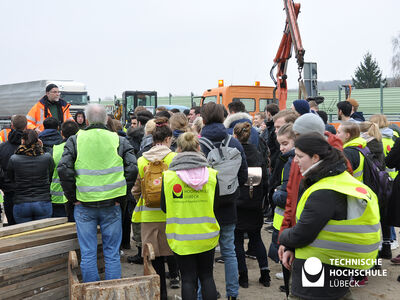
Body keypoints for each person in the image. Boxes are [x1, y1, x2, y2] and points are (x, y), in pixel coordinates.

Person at [279, 133, 380, 300]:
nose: (295, 161)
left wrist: (284, 238)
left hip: (316, 277)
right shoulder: (340, 179)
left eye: (299, 156)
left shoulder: (324, 191)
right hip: (336, 271)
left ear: (315, 157)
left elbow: (302, 234)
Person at [58, 104, 138, 283]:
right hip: (112, 205)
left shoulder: (75, 139)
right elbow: (133, 169)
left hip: (84, 205)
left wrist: (73, 198)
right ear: (106, 120)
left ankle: (92, 292)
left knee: (88, 254)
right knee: (112, 254)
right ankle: (112, 291)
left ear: (85, 120)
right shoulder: (119, 140)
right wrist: (121, 196)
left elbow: (63, 169)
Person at [161, 132, 219, 300]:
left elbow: (164, 207)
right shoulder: (212, 175)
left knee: (187, 278)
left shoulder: (169, 177)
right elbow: (216, 206)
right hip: (207, 234)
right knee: (207, 276)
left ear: (177, 149)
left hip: (181, 235)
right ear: (198, 148)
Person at [199, 102, 248, 300]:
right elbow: (243, 175)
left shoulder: (199, 144)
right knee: (229, 251)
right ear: (223, 117)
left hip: (204, 206)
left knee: (204, 254)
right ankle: (232, 294)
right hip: (229, 205)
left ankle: (204, 294)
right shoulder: (234, 143)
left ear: (203, 119)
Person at [131, 117, 177, 300]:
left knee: (154, 257)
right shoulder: (174, 158)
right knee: (172, 250)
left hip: (148, 216)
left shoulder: (142, 160)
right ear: (167, 139)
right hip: (171, 215)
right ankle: (175, 277)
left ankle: (161, 294)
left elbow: (136, 189)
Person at [232, 122, 270, 289]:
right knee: (257, 238)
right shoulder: (258, 154)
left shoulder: (234, 154)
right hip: (255, 203)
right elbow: (266, 181)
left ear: (235, 135)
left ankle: (244, 277)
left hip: (238, 203)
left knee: (238, 242)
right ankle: (265, 274)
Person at [7, 129, 54, 223]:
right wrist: (42, 147)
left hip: (21, 202)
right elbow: (50, 174)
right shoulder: (47, 157)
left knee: (24, 236)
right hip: (43, 200)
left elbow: (11, 178)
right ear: (38, 141)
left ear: (22, 141)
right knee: (42, 235)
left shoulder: (14, 159)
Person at [269, 124, 296, 277]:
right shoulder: (290, 159)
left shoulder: (291, 162)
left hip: (287, 216)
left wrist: (276, 194)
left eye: (285, 144)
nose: (281, 148)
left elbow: (286, 195)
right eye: (280, 144)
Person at [0, 115, 27, 225]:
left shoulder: (2, 147)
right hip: (27, 194)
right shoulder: (31, 147)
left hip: (9, 192)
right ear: (26, 126)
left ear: (12, 125)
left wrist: (4, 185)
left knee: (12, 227)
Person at [50, 120, 79, 219]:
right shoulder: (82, 148)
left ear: (61, 133)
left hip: (56, 198)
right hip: (79, 196)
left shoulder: (54, 150)